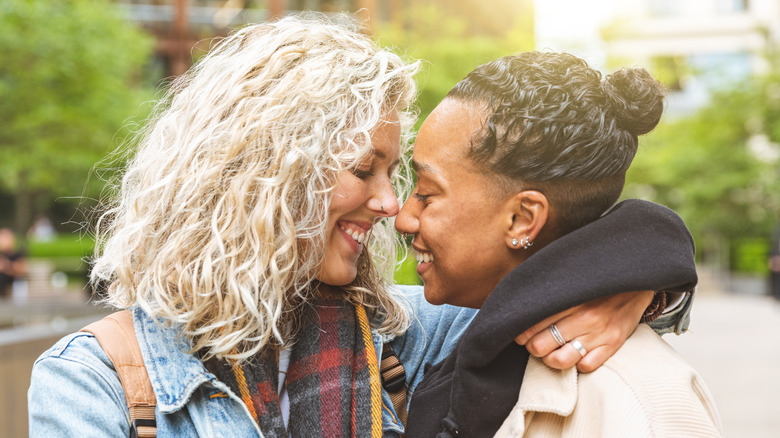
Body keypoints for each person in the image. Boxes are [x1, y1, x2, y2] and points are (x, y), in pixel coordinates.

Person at [28, 18, 691, 437]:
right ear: (266, 172)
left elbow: (548, 259)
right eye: (365, 170)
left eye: (398, 175)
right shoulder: (97, 379)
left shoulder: (411, 334)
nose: (388, 205)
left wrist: (638, 277)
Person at [396, 52, 722, 437]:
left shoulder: (640, 405)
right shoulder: (465, 336)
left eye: (428, 194)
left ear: (522, 219)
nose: (402, 218)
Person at [0, 227, 27, 299]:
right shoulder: (1, 255)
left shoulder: (17, 254)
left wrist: (6, 266)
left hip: (13, 283)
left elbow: (21, 270)